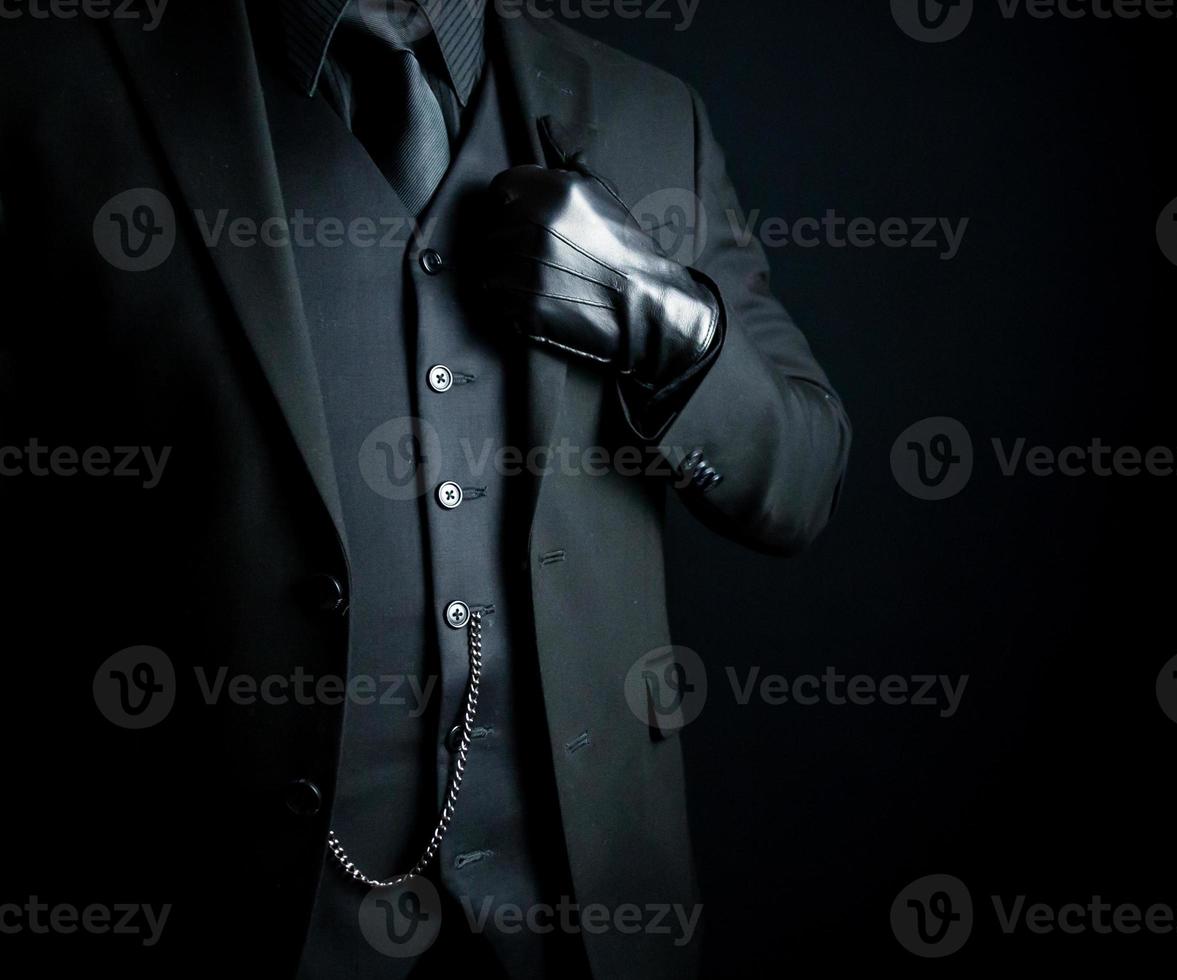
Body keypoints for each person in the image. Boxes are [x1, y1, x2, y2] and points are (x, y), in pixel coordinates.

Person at [0, 1, 850, 976]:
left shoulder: (650, 112)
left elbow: (803, 477)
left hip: (585, 927)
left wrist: (670, 327)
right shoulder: (50, 79)